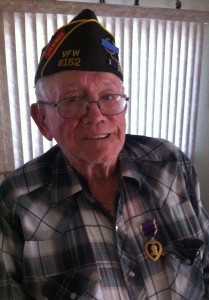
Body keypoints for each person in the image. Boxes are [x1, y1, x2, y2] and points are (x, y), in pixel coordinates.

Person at [0, 9, 209, 300]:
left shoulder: (170, 164)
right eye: (73, 100)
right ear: (42, 120)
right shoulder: (18, 201)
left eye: (109, 98)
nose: (96, 117)